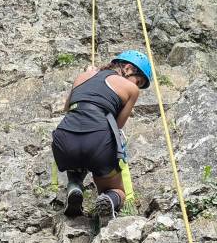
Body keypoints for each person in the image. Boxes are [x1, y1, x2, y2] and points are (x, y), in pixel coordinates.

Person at [52, 50, 151, 221]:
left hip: (64, 138)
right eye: (138, 80)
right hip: (97, 139)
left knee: (76, 162)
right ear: (128, 68)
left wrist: (90, 75)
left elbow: (67, 107)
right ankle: (109, 199)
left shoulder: (83, 76)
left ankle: (74, 186)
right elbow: (117, 125)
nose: (137, 84)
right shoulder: (132, 89)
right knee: (117, 190)